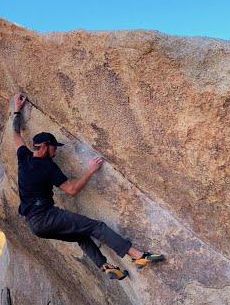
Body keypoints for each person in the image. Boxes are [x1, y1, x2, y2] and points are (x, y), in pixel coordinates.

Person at [12, 93, 164, 280]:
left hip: (34, 225)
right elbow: (72, 190)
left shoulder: (23, 157)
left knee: (80, 234)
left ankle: (106, 267)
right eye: (53, 147)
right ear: (43, 146)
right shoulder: (48, 167)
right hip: (46, 216)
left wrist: (17, 109)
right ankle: (138, 256)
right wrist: (90, 170)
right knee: (96, 227)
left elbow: (16, 134)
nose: (56, 150)